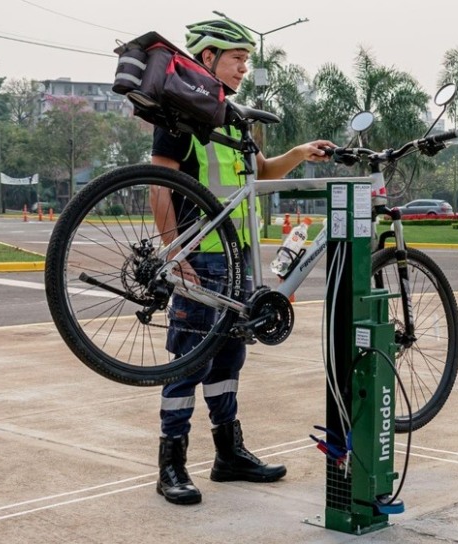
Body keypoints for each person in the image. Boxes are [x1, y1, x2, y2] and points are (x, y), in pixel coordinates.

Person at [149, 17, 334, 505]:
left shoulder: (234, 116)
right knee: (188, 362)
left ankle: (228, 454)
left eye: (247, 60)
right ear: (207, 57)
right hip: (200, 256)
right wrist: (174, 253)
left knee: (229, 359)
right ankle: (171, 465)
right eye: (237, 58)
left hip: (240, 259)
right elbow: (159, 185)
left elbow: (261, 173)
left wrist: (299, 152)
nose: (244, 68)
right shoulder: (180, 114)